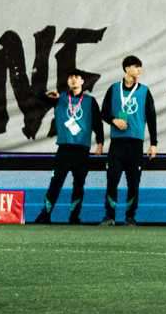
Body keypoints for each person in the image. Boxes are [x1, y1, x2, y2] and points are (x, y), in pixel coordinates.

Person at [36, 68, 104, 224]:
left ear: (82, 81)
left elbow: (97, 123)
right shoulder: (59, 98)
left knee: (79, 184)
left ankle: (74, 217)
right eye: (70, 77)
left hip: (82, 149)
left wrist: (100, 143)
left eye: (76, 77)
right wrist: (46, 94)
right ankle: (45, 215)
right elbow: (38, 97)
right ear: (67, 81)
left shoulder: (90, 101)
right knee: (56, 182)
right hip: (64, 149)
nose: (73, 79)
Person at [100, 54, 157, 226]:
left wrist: (153, 144)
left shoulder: (144, 91)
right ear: (127, 68)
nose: (139, 70)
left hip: (135, 143)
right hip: (117, 143)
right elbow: (104, 113)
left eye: (140, 67)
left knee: (133, 182)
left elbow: (151, 118)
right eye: (136, 67)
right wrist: (114, 120)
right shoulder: (113, 89)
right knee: (112, 180)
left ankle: (130, 217)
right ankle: (109, 216)